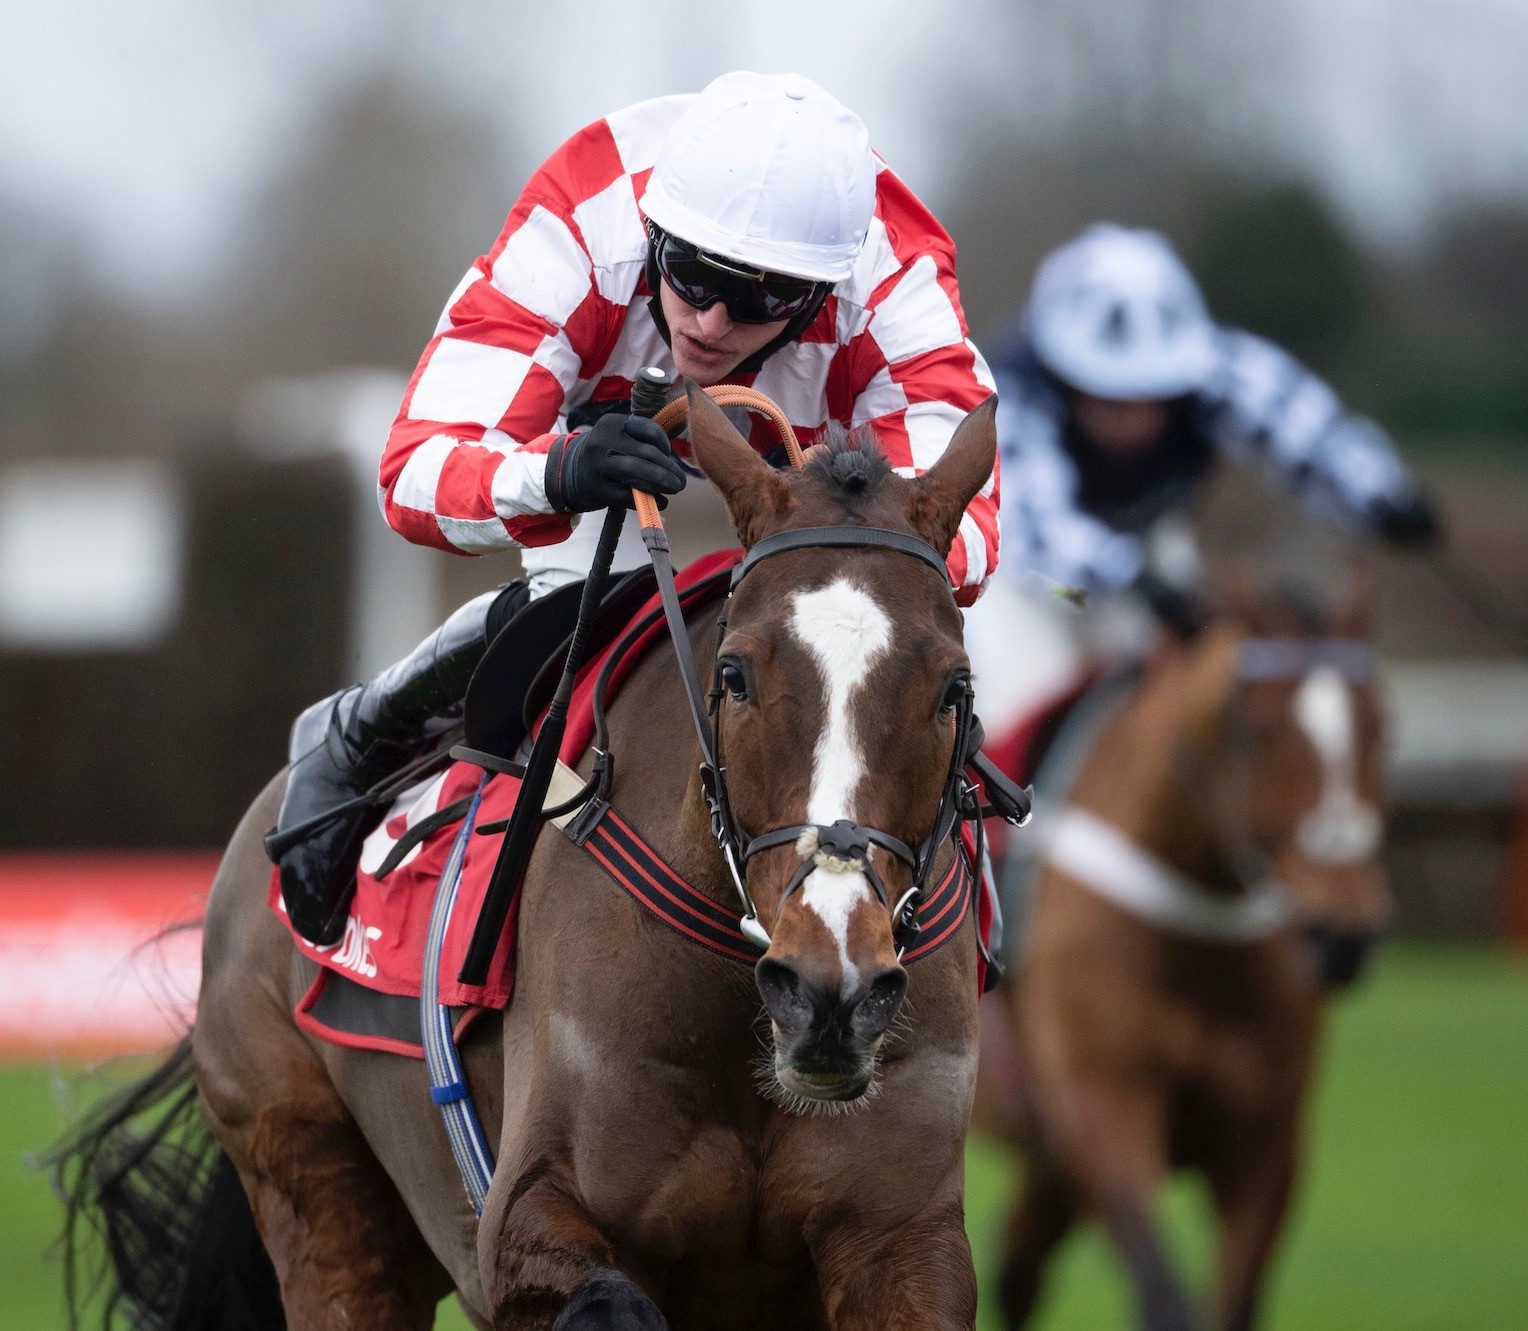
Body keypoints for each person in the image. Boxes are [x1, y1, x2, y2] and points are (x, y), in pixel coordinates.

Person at [269, 71, 1002, 944]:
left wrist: (837, 576)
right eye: (690, 274)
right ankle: (362, 729)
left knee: (877, 644)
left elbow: (964, 530)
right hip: (593, 439)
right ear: (654, 232)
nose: (710, 321)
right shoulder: (587, 217)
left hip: (819, 488)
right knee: (583, 594)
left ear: (818, 295)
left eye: (761, 298)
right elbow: (416, 469)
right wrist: (559, 472)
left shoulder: (893, 281)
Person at [966, 222, 1439, 733]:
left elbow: (1297, 421)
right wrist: (1136, 581)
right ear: (1066, 378)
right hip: (1032, 577)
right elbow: (1041, 530)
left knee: (1195, 696)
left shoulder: (1206, 367)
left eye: (1152, 394)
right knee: (1019, 696)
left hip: (1146, 555)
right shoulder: (1011, 393)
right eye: (1111, 396)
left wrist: (1380, 494)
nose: (1135, 416)